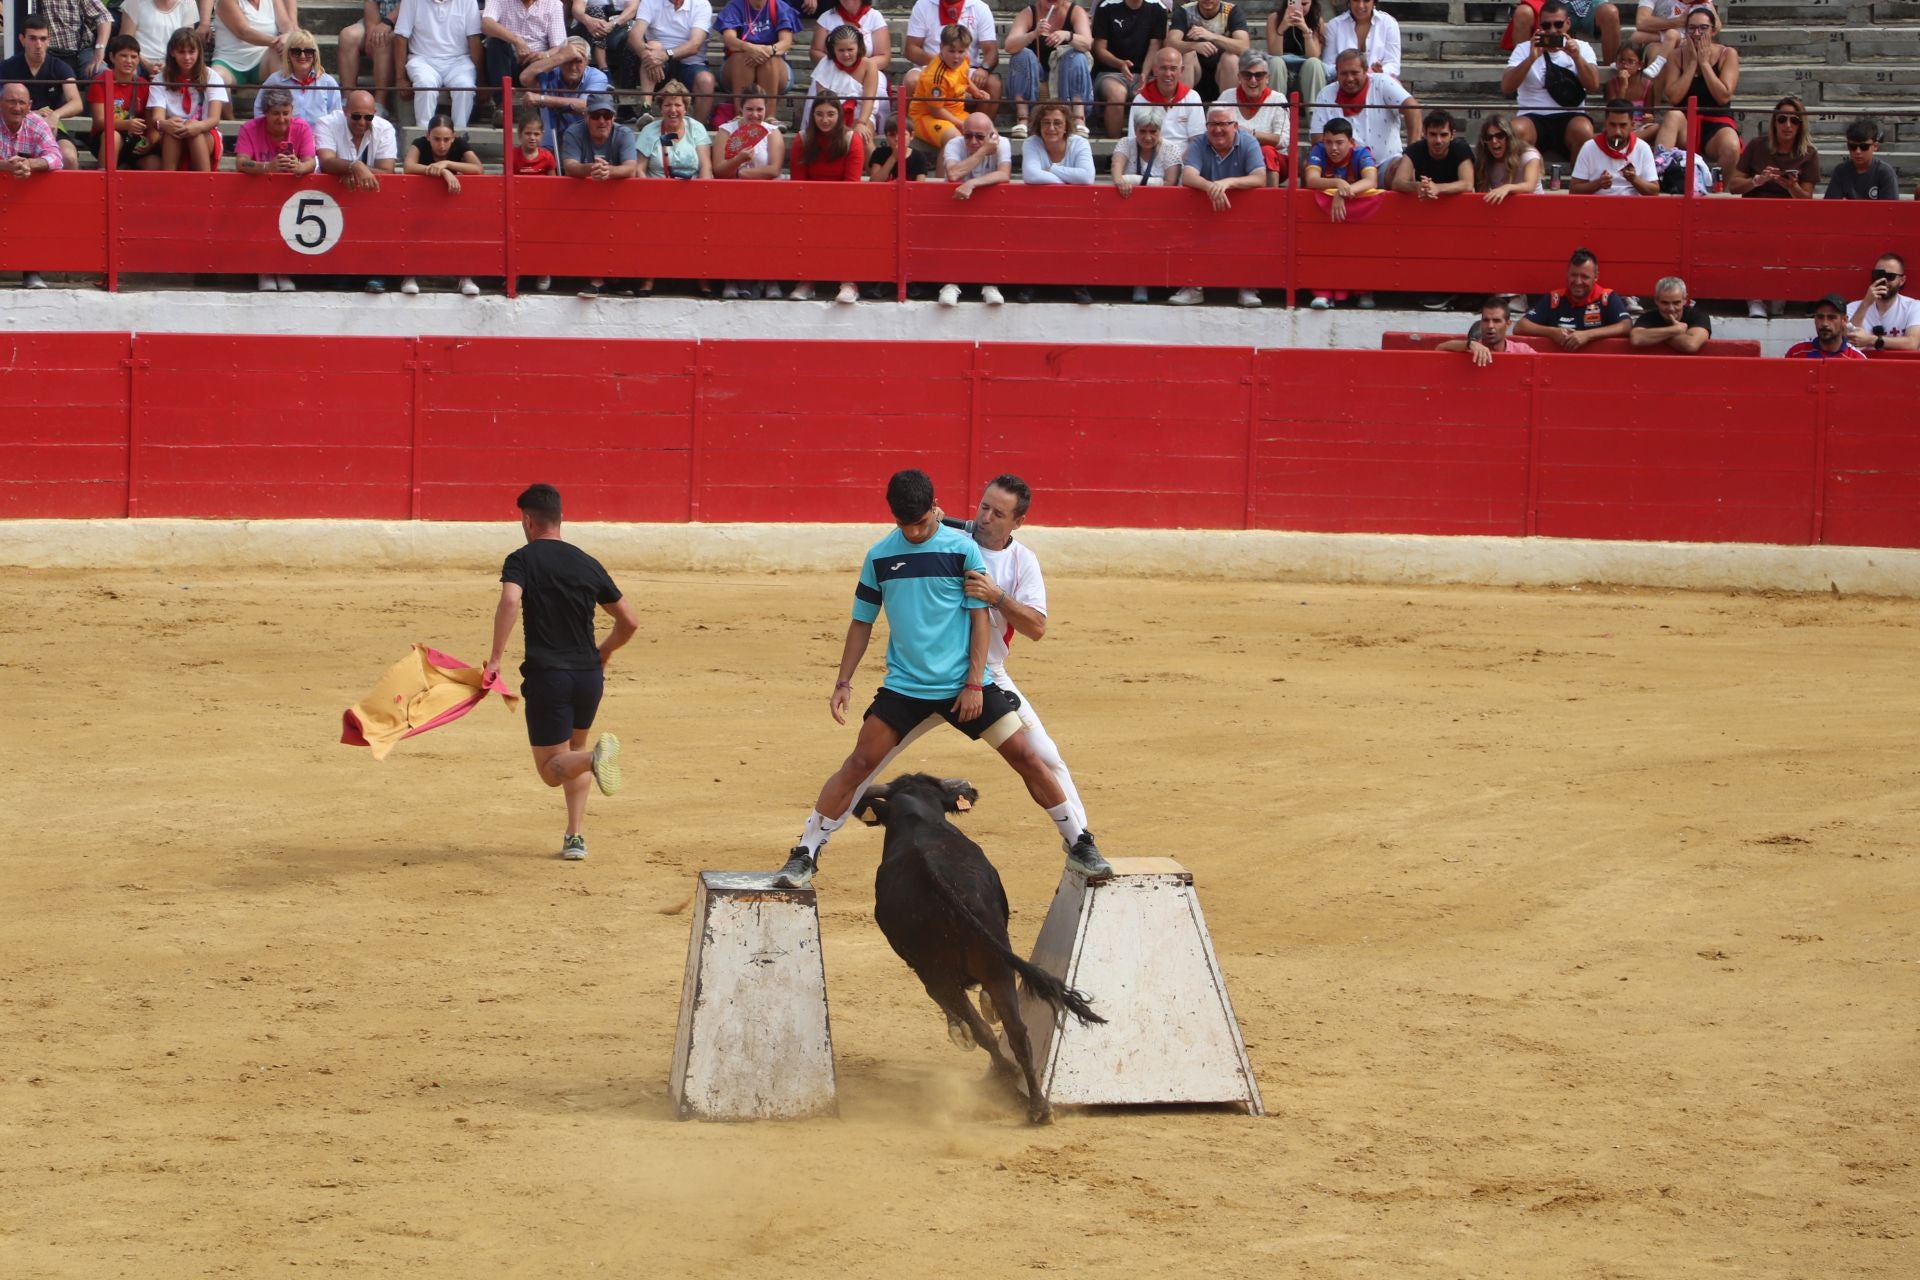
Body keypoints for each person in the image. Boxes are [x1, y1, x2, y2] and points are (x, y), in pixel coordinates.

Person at [769, 468, 1110, 891]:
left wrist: (972, 681)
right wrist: (844, 680)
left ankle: (1080, 842)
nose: (986, 517)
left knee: (1034, 756)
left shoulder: (973, 552)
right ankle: (805, 851)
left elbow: (996, 623)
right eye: (983, 507)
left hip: (974, 680)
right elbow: (862, 620)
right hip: (907, 688)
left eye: (998, 513)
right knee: (859, 765)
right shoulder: (887, 553)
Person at [482, 483, 637, 863]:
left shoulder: (522, 559)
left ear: (528, 520)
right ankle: (575, 836)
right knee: (574, 750)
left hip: (548, 676)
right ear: (560, 518)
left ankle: (594, 760)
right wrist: (604, 651)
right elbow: (630, 622)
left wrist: (496, 658)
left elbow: (510, 600)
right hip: (587, 676)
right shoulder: (587, 562)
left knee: (553, 769)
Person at [1169, 103, 1265, 309]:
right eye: (1212, 124)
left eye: (1223, 124)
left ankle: (1246, 286)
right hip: (1204, 210)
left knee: (1250, 234)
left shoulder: (1249, 143)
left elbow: (1260, 177)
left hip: (1241, 212)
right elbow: (1188, 176)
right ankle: (1193, 286)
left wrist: (1228, 182)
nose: (1217, 129)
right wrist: (1212, 187)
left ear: (1235, 126)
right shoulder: (1200, 142)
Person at [928, 110, 1014, 309]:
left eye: (980, 137)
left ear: (992, 135)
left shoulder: (1004, 143)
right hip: (954, 206)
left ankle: (989, 282)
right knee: (953, 239)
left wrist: (973, 183)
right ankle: (950, 283)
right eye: (968, 136)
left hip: (986, 210)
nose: (973, 141)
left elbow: (1004, 175)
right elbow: (953, 174)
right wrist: (983, 151)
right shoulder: (954, 144)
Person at [235, 86, 317, 292]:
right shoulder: (250, 128)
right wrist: (268, 167)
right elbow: (241, 163)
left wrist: (299, 167)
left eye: (286, 113)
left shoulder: (302, 127)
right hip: (258, 193)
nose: (281, 119)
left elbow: (311, 162)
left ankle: (283, 270)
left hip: (290, 191)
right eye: (275, 114)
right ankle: (265, 270)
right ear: (266, 113)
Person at [1501, 0, 1599, 162]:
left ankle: (1579, 184)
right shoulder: (1524, 49)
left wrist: (1576, 58)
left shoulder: (1582, 48)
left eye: (1558, 24)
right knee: (1516, 130)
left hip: (1571, 116)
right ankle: (1520, 185)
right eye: (1546, 26)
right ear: (1539, 25)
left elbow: (1593, 85)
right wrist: (1531, 59)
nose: (1553, 31)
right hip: (1532, 116)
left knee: (1583, 129)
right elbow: (1506, 87)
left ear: (1568, 23)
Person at [561, 92, 638, 297]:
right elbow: (570, 167)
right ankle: (597, 277)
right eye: (596, 116)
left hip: (617, 202)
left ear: (613, 117)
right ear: (587, 116)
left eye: (607, 115)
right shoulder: (574, 132)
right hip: (582, 203)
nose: (602, 121)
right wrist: (593, 169)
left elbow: (631, 167)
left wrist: (607, 171)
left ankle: (615, 276)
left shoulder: (624, 133)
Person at [400, 115, 485, 297]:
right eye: (436, 139)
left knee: (463, 232)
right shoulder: (420, 143)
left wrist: (447, 163)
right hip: (420, 202)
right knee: (414, 231)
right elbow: (408, 166)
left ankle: (464, 276)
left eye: (446, 139)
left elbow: (478, 168)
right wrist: (443, 172)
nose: (442, 145)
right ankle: (410, 274)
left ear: (453, 137)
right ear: (428, 136)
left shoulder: (460, 145)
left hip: (452, 202)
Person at [1312, 48, 1418, 188]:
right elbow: (1317, 138)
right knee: (1307, 166)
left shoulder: (1382, 82)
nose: (1349, 78)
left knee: (1404, 172)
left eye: (1355, 73)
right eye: (1344, 73)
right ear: (1336, 73)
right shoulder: (1326, 94)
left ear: (1366, 70)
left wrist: (1409, 157)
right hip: (1342, 171)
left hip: (1384, 165)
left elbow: (1413, 109)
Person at [1302, 115, 1378, 309]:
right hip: (1324, 215)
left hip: (1357, 214)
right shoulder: (1319, 150)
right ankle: (1324, 292)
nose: (1333, 148)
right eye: (1329, 142)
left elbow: (1371, 181)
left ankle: (1363, 290)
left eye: (1339, 143)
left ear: (1351, 142)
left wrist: (1344, 193)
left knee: (1362, 248)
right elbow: (1311, 179)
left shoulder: (1361, 152)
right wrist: (1338, 183)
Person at [1650, 7, 1738, 174]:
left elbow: (1723, 97)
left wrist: (1704, 64)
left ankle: (1721, 192)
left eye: (1703, 28)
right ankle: (1659, 176)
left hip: (1716, 123)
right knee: (1672, 115)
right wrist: (1691, 65)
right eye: (1692, 28)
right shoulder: (1676, 56)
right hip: (1684, 122)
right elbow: (1674, 98)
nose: (1697, 33)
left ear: (1713, 31)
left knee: (1732, 147)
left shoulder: (1727, 54)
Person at [0, 15, 84, 173]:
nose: (38, 44)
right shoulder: (6, 67)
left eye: (43, 38)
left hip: (50, 125)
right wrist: (31, 114)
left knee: (69, 156)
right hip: (11, 126)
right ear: (22, 39)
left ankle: (68, 198)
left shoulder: (60, 67)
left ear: (49, 40)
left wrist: (55, 115)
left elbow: (77, 102)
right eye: (32, 38)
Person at [1, 81, 63, 290]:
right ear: (1, 103)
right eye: (10, 101)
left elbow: (56, 157)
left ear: (30, 106)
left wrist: (30, 164)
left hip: (23, 195)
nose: (16, 107)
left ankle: (31, 269)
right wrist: (4, 167)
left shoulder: (36, 123)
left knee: (33, 207)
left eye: (21, 102)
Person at [1514, 246, 1632, 350]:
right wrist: (1552, 332)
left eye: (1585, 277)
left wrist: (1587, 335)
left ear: (1596, 277)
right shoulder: (1555, 298)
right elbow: (1520, 327)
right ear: (1567, 274)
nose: (1578, 282)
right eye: (1573, 275)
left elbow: (1626, 326)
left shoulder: (1607, 297)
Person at [1004, 0, 1093, 138]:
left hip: (1065, 75)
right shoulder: (1028, 13)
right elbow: (1009, 46)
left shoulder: (1076, 11)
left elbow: (1087, 43)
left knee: (1077, 57)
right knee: (1022, 54)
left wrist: (1068, 35)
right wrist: (1033, 34)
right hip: (1035, 74)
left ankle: (1078, 119)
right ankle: (1023, 118)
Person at [151, 26, 230, 171]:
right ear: (172, 52)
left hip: (205, 132)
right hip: (173, 134)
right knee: (172, 132)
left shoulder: (212, 76)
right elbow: (157, 118)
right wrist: (164, 124)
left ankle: (205, 184)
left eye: (191, 52)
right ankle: (168, 183)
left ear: (199, 52)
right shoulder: (160, 78)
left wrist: (196, 126)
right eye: (181, 52)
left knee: (196, 134)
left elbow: (214, 119)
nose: (187, 58)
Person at [398, 0, 483, 132]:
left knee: (465, 86)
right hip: (422, 59)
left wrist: (481, 80)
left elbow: (474, 38)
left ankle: (458, 137)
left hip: (459, 60)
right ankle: (424, 136)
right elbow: (401, 36)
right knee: (425, 85)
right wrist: (400, 79)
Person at [805, 22, 883, 160]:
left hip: (861, 114)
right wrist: (835, 122)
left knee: (863, 137)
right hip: (830, 115)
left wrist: (861, 123)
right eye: (841, 50)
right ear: (833, 50)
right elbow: (823, 100)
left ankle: (877, 177)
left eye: (850, 49)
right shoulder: (825, 65)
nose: (846, 54)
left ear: (858, 47)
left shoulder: (869, 66)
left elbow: (869, 99)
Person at [628, 0, 716, 118]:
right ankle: (646, 110)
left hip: (691, 64)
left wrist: (665, 55)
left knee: (707, 80)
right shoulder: (650, 2)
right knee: (652, 49)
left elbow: (694, 46)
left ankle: (699, 127)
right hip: (659, 67)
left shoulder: (701, 4)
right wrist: (648, 56)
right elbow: (634, 36)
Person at [1091, 0, 1166, 139]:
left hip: (1146, 72)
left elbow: (1155, 45)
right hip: (1111, 72)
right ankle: (1115, 148)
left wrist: (1145, 74)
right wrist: (1120, 63)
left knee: (1152, 92)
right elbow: (1099, 49)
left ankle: (1151, 146)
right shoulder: (1106, 6)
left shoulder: (1158, 8)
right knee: (1117, 94)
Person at [903, 0, 999, 106]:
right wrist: (942, 64)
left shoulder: (980, 7)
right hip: (930, 67)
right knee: (911, 80)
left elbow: (991, 50)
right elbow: (911, 49)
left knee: (993, 84)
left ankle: (981, 121)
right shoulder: (923, 4)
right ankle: (909, 121)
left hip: (967, 70)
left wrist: (984, 69)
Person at [910, 24, 986, 154]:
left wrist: (976, 92)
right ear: (941, 47)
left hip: (957, 112)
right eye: (951, 51)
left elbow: (963, 77)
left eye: (961, 51)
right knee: (955, 141)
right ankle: (943, 174)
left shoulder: (964, 60)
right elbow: (936, 110)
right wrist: (961, 125)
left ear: (967, 50)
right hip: (926, 116)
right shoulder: (936, 76)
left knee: (990, 135)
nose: (956, 57)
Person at [521, 35, 606, 149]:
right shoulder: (552, 73)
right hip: (550, 145)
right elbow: (525, 78)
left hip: (582, 145)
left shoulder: (597, 77)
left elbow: (586, 105)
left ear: (587, 62)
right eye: (568, 61)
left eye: (578, 61)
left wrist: (543, 99)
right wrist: (559, 57)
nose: (573, 67)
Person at [485, 0, 568, 117]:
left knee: (546, 61)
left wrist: (546, 54)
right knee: (495, 42)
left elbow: (559, 46)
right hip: (507, 59)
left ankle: (538, 107)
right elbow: (486, 23)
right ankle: (503, 104)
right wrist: (516, 40)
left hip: (535, 62)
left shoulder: (553, 4)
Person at [87, 35, 157, 170]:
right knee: (113, 136)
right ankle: (103, 184)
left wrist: (150, 142)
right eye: (123, 56)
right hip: (105, 138)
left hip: (135, 141)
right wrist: (127, 124)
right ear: (112, 57)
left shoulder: (144, 84)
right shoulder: (100, 82)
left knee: (155, 164)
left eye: (134, 56)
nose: (129, 61)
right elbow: (99, 122)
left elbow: (150, 123)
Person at [1130, 46, 1204, 165]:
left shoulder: (1192, 97)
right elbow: (1134, 139)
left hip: (1184, 163)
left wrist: (1177, 165)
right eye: (1163, 68)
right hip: (1149, 163)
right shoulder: (1141, 99)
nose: (1168, 73)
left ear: (1182, 70)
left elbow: (1197, 140)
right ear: (1154, 69)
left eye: (1173, 68)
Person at [1217, 56, 1286, 182]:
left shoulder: (1278, 99)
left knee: (1266, 151)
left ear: (1267, 78)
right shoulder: (1227, 96)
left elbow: (1283, 140)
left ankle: (1271, 199)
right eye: (1247, 75)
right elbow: (1216, 130)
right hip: (1235, 155)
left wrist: (1250, 134)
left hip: (1272, 163)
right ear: (1239, 77)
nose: (1253, 80)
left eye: (1259, 75)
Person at [1166, 0, 1249, 105]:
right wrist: (1194, 46)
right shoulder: (1185, 11)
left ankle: (1229, 112)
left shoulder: (1231, 11)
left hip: (1223, 71)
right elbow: (1170, 43)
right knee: (1187, 54)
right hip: (1195, 70)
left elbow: (1244, 47)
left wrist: (1212, 36)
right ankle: (1182, 108)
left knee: (1231, 58)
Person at [717, 0, 802, 101]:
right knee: (742, 57)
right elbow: (729, 40)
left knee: (771, 60)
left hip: (775, 67)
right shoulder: (734, 6)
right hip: (739, 66)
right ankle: (740, 115)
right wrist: (748, 48)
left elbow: (786, 43)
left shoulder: (780, 7)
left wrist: (768, 51)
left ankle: (770, 116)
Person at [256, 30, 342, 128]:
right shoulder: (275, 81)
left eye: (308, 51)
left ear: (315, 54)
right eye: (296, 52)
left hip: (319, 140)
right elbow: (259, 110)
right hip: (284, 140)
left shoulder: (328, 82)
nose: (302, 56)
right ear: (288, 55)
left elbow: (336, 118)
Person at [338, 0, 410, 118]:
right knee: (347, 36)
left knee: (381, 40)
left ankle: (379, 104)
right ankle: (348, 99)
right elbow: (370, 2)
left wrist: (387, 23)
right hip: (377, 20)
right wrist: (372, 29)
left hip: (404, 22)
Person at [1569, 99, 1657, 195]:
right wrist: (1598, 184)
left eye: (1623, 125)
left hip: (1631, 206)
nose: (1617, 132)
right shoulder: (1589, 147)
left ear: (1632, 125)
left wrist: (1635, 180)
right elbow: (1574, 190)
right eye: (1612, 125)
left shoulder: (1643, 148)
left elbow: (1654, 191)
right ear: (1605, 124)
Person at [635, 77, 711, 178]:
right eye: (667, 105)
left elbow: (706, 167)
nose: (673, 110)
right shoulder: (649, 131)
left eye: (678, 105)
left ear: (685, 108)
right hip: (657, 190)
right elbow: (639, 169)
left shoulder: (696, 128)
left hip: (693, 190)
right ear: (661, 108)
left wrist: (701, 192)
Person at [1507, 0, 1619, 66]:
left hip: (1588, 4)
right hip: (1550, 4)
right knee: (1523, 12)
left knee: (1610, 12)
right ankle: (1520, 75)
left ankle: (1612, 83)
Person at [1394, 108, 1474, 198]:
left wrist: (1438, 188)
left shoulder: (1461, 148)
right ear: (1424, 133)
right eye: (1433, 134)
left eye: (1443, 135)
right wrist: (1418, 186)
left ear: (1452, 135)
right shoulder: (1415, 149)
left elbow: (1468, 184)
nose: (1438, 140)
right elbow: (1397, 182)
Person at [212, 0, 294, 88]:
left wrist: (287, 36)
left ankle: (283, 99)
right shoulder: (226, 1)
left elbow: (285, 23)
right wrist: (278, 42)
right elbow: (243, 32)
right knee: (216, 79)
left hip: (263, 61)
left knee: (280, 54)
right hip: (229, 63)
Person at [1846, 254, 1918, 353]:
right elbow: (1847, 340)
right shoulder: (1853, 307)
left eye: (1890, 276)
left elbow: (1912, 343)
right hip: (1863, 366)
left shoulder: (1913, 307)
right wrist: (1866, 303)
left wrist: (1871, 340)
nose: (1883, 281)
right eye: (1878, 275)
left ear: (1902, 280)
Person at [1436, 295, 1537, 364]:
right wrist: (1469, 344)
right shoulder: (1471, 348)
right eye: (1486, 320)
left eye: (1496, 321)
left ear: (1507, 324)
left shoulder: (1522, 350)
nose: (1490, 325)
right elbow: (1440, 348)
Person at [119, 0, 206, 81]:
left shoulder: (188, 3)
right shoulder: (134, 2)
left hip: (174, 61)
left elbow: (187, 42)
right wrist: (146, 64)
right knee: (129, 70)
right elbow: (126, 41)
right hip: (139, 61)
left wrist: (168, 65)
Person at [35, 0, 115, 83]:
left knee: (101, 72)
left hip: (82, 51)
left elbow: (103, 16)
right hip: (48, 53)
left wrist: (99, 49)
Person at [1265, 0, 1325, 106]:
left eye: (1304, 4)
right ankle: (1275, 111)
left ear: (1312, 3)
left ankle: (1315, 115)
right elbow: (1274, 53)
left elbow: (1314, 55)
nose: (1300, 8)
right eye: (1296, 3)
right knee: (1276, 62)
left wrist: (1306, 30)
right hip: (1281, 65)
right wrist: (1281, 29)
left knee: (1314, 63)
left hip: (1306, 68)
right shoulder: (1274, 18)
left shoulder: (1316, 19)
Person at [1322, 0, 1399, 81]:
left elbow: (1393, 64)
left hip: (1378, 82)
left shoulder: (1388, 24)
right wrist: (1349, 70)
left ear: (1374, 2)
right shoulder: (1334, 25)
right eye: (1356, 0)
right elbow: (1328, 65)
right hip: (1345, 83)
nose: (1360, 6)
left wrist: (1381, 70)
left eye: (1366, 0)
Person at [1628, 276, 1710, 352]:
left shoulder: (1698, 316)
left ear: (1685, 300)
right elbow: (1636, 338)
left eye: (1676, 303)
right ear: (1656, 300)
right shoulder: (1648, 317)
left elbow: (1691, 345)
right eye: (1665, 303)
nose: (1671, 308)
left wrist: (1655, 335)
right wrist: (1675, 330)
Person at [1600, 41, 1661, 142]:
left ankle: (1628, 141)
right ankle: (1628, 141)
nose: (1625, 65)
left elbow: (1649, 113)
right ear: (1616, 62)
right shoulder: (1612, 84)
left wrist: (1649, 118)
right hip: (1617, 126)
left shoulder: (1647, 85)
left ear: (1640, 65)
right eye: (1621, 61)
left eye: (1630, 62)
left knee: (1655, 128)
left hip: (1638, 127)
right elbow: (1615, 110)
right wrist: (1623, 87)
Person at [1474, 111, 1541, 203]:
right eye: (1489, 137)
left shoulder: (1528, 154)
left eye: (1499, 136)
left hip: (1532, 205)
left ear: (1509, 137)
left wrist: (1507, 188)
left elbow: (1530, 186)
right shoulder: (1484, 160)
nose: (1494, 141)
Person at [1825, 120, 1899, 202]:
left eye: (1864, 147)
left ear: (1875, 146)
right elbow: (1830, 206)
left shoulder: (1885, 173)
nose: (1858, 151)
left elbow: (1889, 210)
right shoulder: (1840, 171)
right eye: (1852, 146)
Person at [809, 0, 890, 70]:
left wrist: (857, 67)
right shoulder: (826, 17)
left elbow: (883, 57)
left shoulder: (875, 17)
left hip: (867, 73)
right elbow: (815, 52)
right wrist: (838, 65)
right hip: (832, 71)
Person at [1785, 294, 1867, 362]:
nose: (1825, 323)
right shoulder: (1796, 352)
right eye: (1820, 317)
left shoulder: (1857, 359)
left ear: (1844, 320)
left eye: (1831, 317)